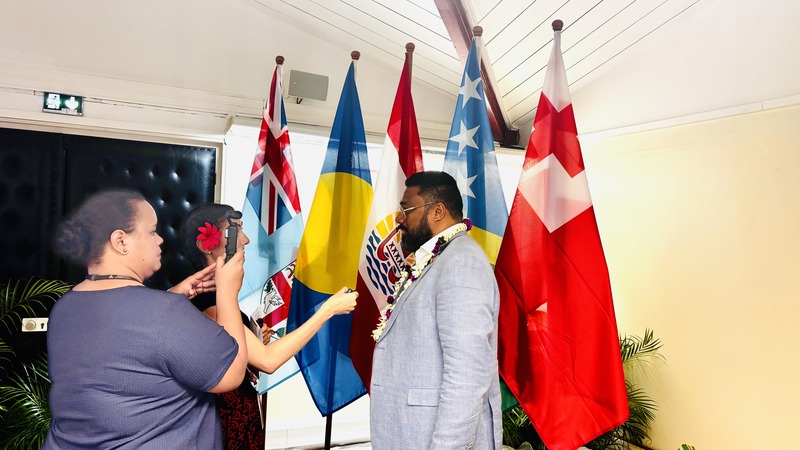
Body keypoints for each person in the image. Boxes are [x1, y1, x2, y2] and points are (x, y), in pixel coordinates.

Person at [43, 189, 248, 449]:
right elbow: (231, 373)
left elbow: (125, 346)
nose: (160, 240)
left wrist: (171, 297)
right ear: (121, 241)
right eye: (152, 232)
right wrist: (227, 292)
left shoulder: (65, 306)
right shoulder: (163, 313)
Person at [182, 203, 358, 450]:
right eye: (235, 230)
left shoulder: (217, 295)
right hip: (224, 421)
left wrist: (252, 341)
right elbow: (267, 361)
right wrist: (327, 310)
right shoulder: (208, 302)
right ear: (206, 244)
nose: (245, 240)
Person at [369, 171, 502, 449]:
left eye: (406, 209)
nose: (398, 218)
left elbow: (467, 375)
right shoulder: (438, 258)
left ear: (438, 211)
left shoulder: (462, 263)